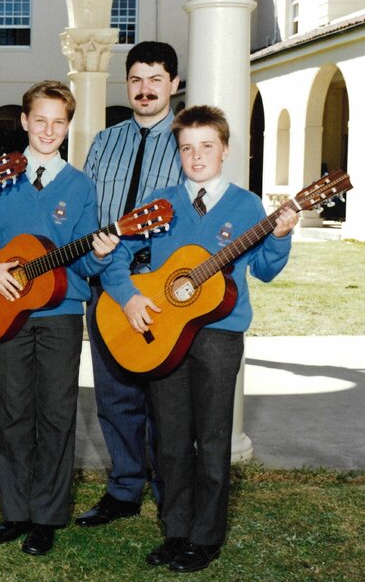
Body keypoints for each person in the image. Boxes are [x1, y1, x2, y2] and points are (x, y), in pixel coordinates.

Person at [100, 105, 298, 572]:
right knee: (169, 439)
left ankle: (205, 537)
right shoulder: (161, 202)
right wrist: (128, 297)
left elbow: (266, 271)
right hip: (165, 336)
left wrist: (281, 237)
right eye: (187, 148)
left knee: (211, 439)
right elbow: (116, 253)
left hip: (219, 337)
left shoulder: (246, 206)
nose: (197, 156)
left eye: (207, 146)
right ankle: (176, 529)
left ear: (225, 149)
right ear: (178, 152)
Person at [0, 81, 119, 556]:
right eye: (39, 120)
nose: (49, 130)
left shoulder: (80, 185)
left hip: (62, 315)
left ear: (69, 126)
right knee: (14, 411)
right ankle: (15, 511)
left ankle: (47, 516)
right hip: (8, 311)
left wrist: (101, 255)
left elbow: (83, 262)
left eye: (58, 122)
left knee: (58, 414)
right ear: (24, 121)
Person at [77, 40, 185, 527]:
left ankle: (170, 489)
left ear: (174, 85)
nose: (145, 90)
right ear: (127, 84)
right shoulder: (105, 141)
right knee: (114, 391)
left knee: (163, 393)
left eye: (155, 80)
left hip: (161, 286)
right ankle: (124, 488)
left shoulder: (187, 142)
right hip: (106, 281)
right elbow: (86, 209)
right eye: (137, 79)